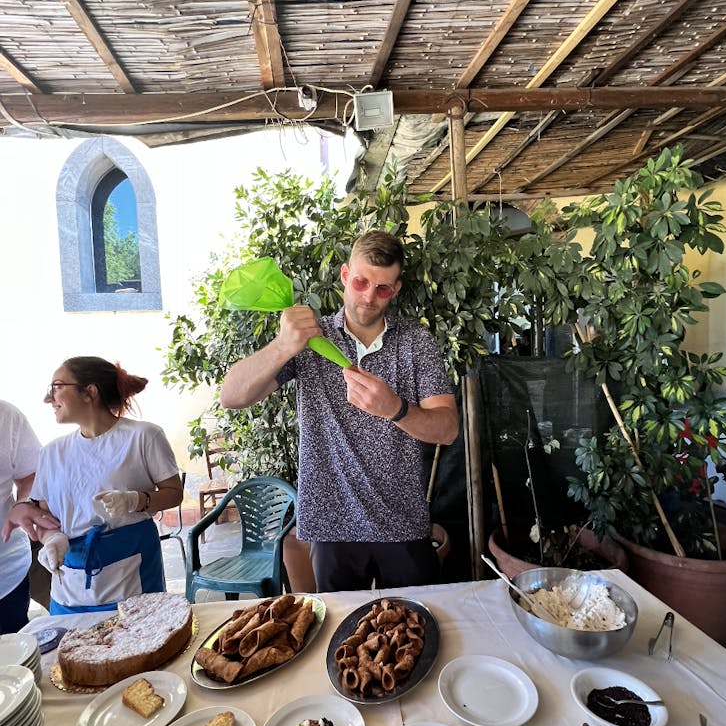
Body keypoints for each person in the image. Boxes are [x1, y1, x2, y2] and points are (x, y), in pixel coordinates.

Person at [220, 229, 459, 591]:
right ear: (345, 276)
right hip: (332, 526)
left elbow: (448, 429)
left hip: (404, 523)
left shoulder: (415, 341)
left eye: (382, 288)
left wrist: (396, 409)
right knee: (342, 639)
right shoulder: (309, 338)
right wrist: (283, 345)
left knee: (415, 629)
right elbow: (232, 396)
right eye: (361, 282)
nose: (368, 297)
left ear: (394, 290)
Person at [4, 357, 183, 615]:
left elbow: (174, 493)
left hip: (133, 576)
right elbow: (46, 518)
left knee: (140, 644)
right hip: (70, 587)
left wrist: (136, 500)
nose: (48, 399)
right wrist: (52, 539)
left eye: (55, 387)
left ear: (90, 392)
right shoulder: (52, 453)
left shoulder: (143, 436)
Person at [0, 401, 60, 632]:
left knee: (13, 664)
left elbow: (32, 473)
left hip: (6, 576)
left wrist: (24, 502)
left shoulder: (6, 415)